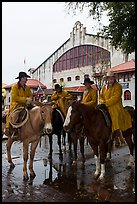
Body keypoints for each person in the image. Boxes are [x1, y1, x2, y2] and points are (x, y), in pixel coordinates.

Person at [99, 71, 132, 146]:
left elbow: (116, 98)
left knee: (114, 117)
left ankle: (117, 134)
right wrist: (102, 102)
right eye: (109, 78)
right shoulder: (104, 87)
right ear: (107, 78)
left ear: (114, 78)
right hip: (105, 106)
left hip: (115, 107)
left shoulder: (118, 86)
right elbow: (100, 96)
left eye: (112, 77)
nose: (110, 79)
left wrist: (105, 103)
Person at [5, 71, 33, 136]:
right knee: (15, 117)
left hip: (26, 104)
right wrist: (25, 99)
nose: (26, 80)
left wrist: (30, 99)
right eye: (26, 78)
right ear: (22, 78)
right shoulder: (14, 87)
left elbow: (30, 95)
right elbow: (15, 97)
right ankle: (11, 130)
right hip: (16, 105)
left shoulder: (27, 88)